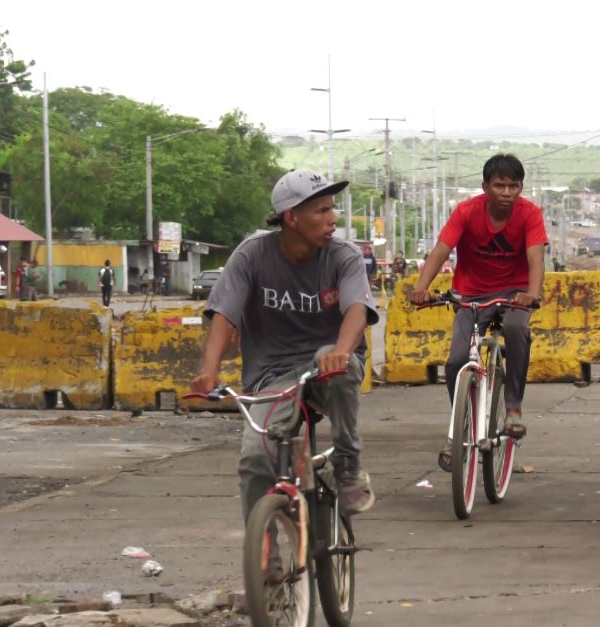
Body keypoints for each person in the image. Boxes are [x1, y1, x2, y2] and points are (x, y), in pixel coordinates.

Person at [192, 169, 379, 518]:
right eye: (321, 211)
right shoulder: (251, 255)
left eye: (332, 209)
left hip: (329, 365)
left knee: (333, 363)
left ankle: (348, 464)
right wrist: (208, 371)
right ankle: (265, 558)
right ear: (291, 217)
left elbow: (357, 308)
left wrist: (341, 350)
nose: (332, 219)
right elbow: (224, 315)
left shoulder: (345, 256)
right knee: (254, 459)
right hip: (272, 375)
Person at [409, 154, 547, 471]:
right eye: (500, 185)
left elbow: (536, 257)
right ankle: (461, 427)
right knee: (457, 361)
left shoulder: (530, 214)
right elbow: (441, 250)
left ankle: (513, 408)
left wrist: (532, 294)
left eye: (514, 186)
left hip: (515, 293)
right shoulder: (466, 212)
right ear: (485, 187)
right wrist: (421, 286)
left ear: (521, 188)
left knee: (516, 330)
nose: (507, 192)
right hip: (470, 293)